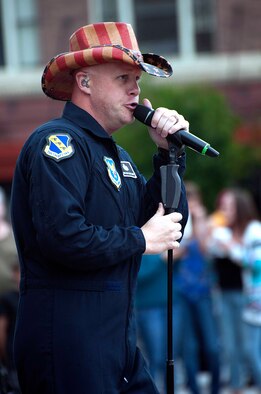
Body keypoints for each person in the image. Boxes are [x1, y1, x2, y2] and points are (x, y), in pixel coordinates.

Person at [10, 22, 189, 394]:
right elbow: (64, 238)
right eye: (123, 77)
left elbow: (169, 223)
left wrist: (168, 154)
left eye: (138, 80)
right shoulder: (57, 144)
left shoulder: (117, 156)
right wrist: (140, 240)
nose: (136, 90)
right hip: (68, 339)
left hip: (116, 340)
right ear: (85, 83)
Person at [208, 187, 261, 391]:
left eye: (228, 206)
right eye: (222, 207)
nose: (224, 211)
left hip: (250, 298)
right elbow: (210, 253)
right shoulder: (226, 230)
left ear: (240, 206)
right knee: (231, 346)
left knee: (249, 349)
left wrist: (230, 247)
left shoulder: (253, 229)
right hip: (226, 292)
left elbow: (257, 263)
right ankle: (236, 385)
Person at [172, 182, 220, 394]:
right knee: (188, 346)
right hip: (181, 290)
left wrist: (199, 220)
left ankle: (216, 387)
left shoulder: (205, 222)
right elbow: (172, 256)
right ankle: (193, 388)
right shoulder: (178, 221)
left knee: (211, 343)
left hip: (203, 291)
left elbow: (204, 248)